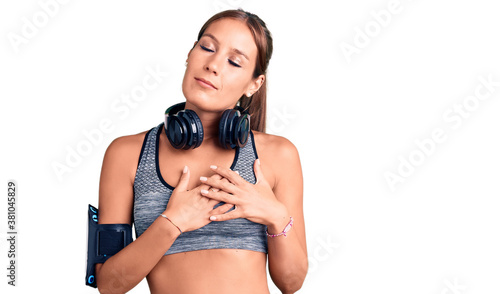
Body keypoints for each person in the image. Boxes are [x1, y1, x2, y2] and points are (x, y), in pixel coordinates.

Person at [94, 9, 307, 294]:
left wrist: (277, 217)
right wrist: (173, 222)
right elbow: (109, 284)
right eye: (207, 47)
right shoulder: (126, 154)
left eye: (234, 61)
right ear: (189, 55)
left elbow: (291, 283)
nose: (213, 65)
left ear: (254, 84)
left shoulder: (278, 155)